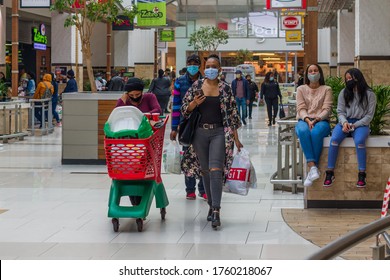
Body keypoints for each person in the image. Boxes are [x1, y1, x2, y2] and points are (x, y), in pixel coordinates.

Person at [181, 54, 243, 229]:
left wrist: (237, 140)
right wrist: (193, 103)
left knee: (216, 170)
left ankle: (216, 209)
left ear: (219, 69)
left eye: (214, 66)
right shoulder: (196, 87)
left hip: (219, 133)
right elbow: (185, 110)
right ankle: (210, 205)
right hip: (199, 133)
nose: (210, 69)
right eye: (207, 66)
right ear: (204, 68)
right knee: (206, 171)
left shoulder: (225, 89)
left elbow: (233, 116)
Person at [323, 68, 376, 188]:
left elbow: (369, 116)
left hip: (361, 124)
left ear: (358, 78)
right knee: (335, 139)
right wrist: (345, 122)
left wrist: (355, 125)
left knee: (360, 141)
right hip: (345, 122)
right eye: (346, 79)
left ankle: (362, 174)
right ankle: (330, 173)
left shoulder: (370, 94)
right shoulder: (344, 92)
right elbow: (340, 111)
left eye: (350, 78)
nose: (348, 81)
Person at [115, 77, 161, 205]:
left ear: (142, 92)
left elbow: (157, 110)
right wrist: (122, 101)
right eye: (131, 95)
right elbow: (116, 114)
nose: (135, 97)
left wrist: (138, 116)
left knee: (143, 168)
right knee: (130, 168)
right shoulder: (124, 100)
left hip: (146, 140)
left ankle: (140, 197)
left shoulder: (150, 97)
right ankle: (133, 197)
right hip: (129, 141)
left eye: (137, 94)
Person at [170, 53, 206, 200]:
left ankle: (203, 189)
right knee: (187, 157)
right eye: (189, 63)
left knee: (204, 157)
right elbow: (176, 105)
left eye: (194, 63)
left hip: (203, 124)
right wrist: (174, 127)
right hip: (186, 126)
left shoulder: (206, 82)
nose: (192, 66)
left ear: (199, 66)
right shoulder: (179, 82)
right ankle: (189, 189)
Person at [295, 64, 333, 187]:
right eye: (310, 71)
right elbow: (301, 108)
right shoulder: (301, 89)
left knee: (315, 133)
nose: (313, 73)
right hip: (304, 119)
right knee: (303, 131)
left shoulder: (327, 89)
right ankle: (313, 167)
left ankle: (311, 170)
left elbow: (327, 109)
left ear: (320, 73)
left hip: (321, 121)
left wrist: (316, 119)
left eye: (315, 70)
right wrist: (307, 119)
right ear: (307, 74)